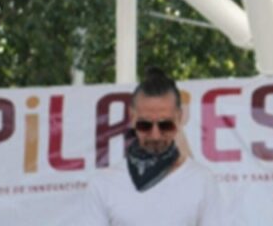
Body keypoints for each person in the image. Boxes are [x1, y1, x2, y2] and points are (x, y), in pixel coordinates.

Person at [83, 67, 223, 226]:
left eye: (165, 125)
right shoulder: (103, 184)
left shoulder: (202, 181)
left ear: (179, 118)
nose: (155, 135)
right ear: (132, 117)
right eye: (145, 125)